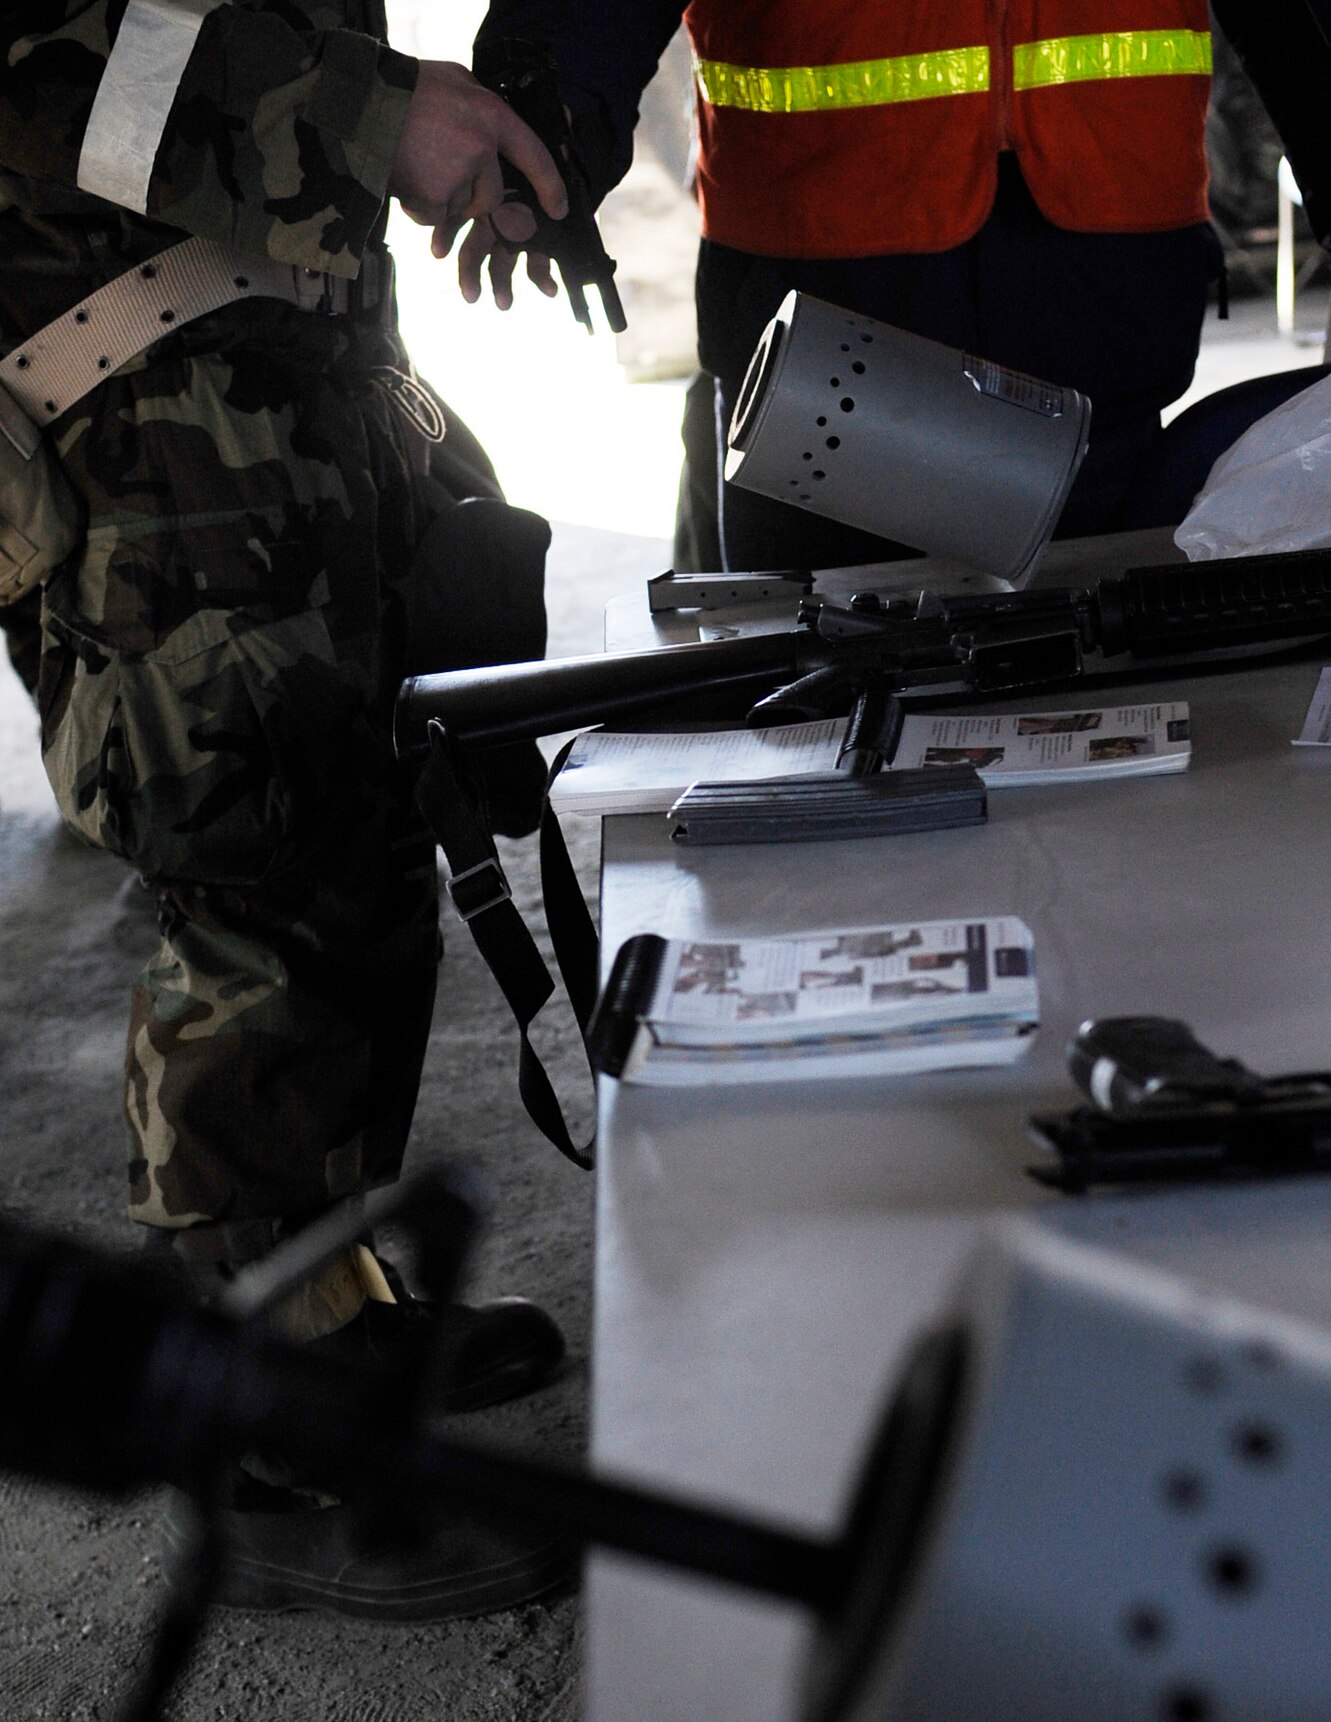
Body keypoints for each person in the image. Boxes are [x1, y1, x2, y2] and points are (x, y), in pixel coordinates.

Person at [0, 6, 574, 1618]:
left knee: (363, 820)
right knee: (258, 876)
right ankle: (262, 1446)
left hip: (280, 356)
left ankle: (333, 1316)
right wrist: (365, 118)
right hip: (126, 388)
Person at [464, 1, 1331, 570]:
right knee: (814, 709)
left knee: (1112, 700)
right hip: (823, 308)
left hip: (1103, 294)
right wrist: (545, 121)